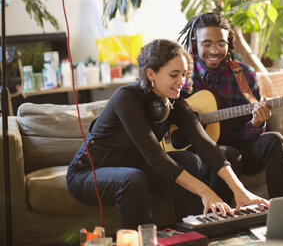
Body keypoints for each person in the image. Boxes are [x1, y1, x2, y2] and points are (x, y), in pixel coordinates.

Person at [66, 39, 268, 229]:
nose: (181, 81)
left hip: (133, 168)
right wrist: (206, 191)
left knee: (191, 160)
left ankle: (192, 232)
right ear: (151, 74)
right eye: (174, 75)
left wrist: (240, 191)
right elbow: (155, 156)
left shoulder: (174, 101)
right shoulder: (126, 98)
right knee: (132, 178)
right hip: (88, 174)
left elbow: (206, 145)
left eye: (184, 74)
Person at [178, 13, 283, 201]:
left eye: (221, 44)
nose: (214, 51)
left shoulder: (244, 75)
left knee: (275, 140)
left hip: (240, 148)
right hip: (201, 154)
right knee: (229, 155)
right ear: (194, 43)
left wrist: (256, 123)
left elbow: (245, 133)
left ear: (229, 43)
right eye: (207, 44)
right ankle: (217, 220)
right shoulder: (183, 76)